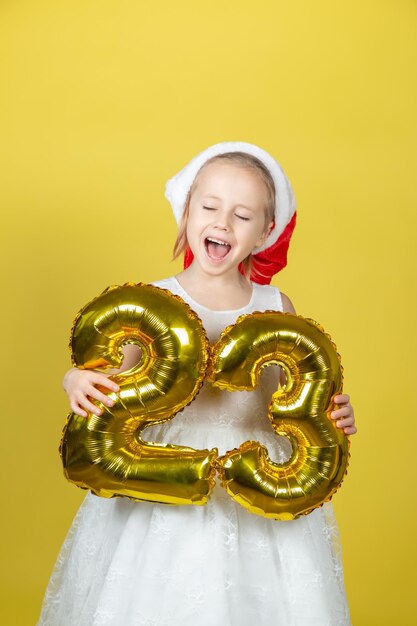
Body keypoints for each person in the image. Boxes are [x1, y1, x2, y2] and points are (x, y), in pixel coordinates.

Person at [38, 141, 357, 626]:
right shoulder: (152, 301)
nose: (222, 223)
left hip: (255, 472)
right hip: (165, 471)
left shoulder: (275, 304)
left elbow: (288, 395)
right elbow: (111, 375)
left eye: (242, 215)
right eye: (209, 206)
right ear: (187, 211)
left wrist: (330, 415)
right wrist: (74, 379)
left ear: (266, 232)